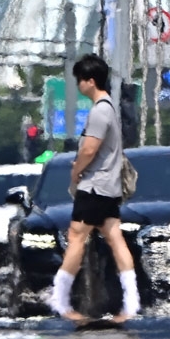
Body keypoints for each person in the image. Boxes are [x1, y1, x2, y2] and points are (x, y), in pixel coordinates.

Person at [47, 54, 141, 323]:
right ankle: (132, 301)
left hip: (95, 186)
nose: (78, 85)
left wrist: (76, 171)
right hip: (107, 187)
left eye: (80, 80)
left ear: (91, 81)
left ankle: (60, 299)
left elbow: (89, 149)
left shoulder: (100, 110)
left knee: (76, 236)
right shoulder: (108, 108)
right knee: (114, 237)